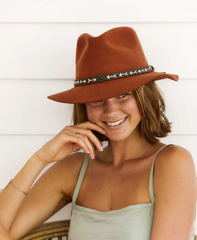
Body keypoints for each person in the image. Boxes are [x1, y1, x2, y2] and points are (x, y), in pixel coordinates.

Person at [0, 26, 196, 240]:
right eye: (96, 99)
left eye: (123, 95)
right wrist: (39, 159)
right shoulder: (73, 169)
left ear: (143, 97)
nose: (111, 110)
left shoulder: (172, 162)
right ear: (84, 106)